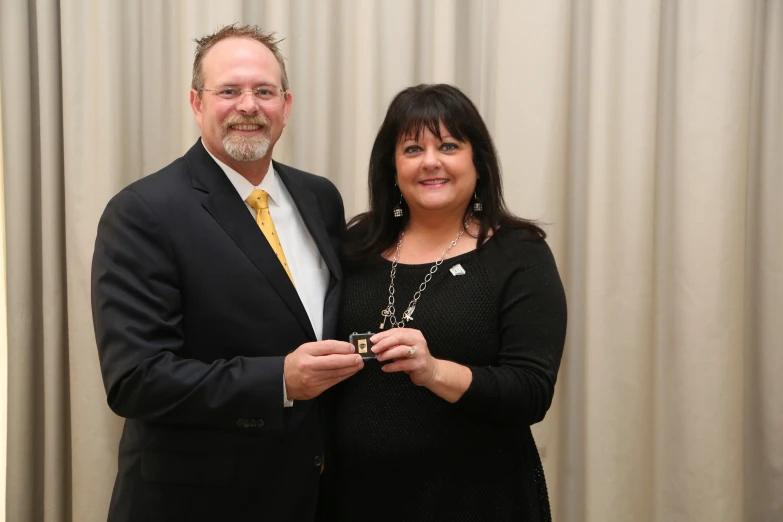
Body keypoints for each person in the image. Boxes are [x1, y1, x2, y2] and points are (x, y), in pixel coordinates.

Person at [91, 24, 364, 522]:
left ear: (286, 104)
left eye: (264, 91)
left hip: (311, 494)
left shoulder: (320, 198)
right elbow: (135, 378)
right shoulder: (143, 211)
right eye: (229, 91)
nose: (248, 106)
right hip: (195, 501)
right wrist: (279, 379)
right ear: (197, 103)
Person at [326, 84, 568, 522]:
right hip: (356, 498)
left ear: (478, 162)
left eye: (450, 145)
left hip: (479, 498)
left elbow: (531, 392)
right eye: (413, 147)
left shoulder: (519, 254)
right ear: (392, 166)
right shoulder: (351, 246)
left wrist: (433, 371)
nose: (431, 161)